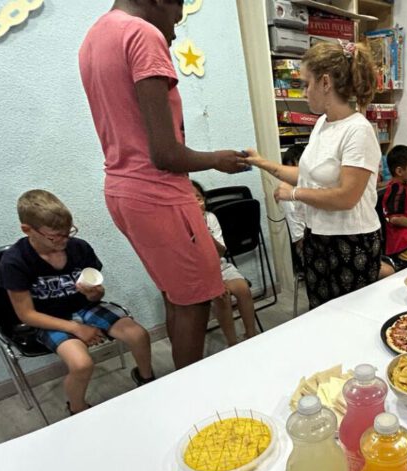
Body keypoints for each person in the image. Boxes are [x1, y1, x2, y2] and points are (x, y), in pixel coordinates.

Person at [79, 1, 249, 371]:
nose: (175, 27)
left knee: (177, 295)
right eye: (177, 11)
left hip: (122, 190)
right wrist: (218, 160)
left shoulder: (95, 36)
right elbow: (165, 154)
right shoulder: (141, 33)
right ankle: (190, 397)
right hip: (157, 193)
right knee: (197, 299)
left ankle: (179, 387)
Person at [244, 40, 382, 309]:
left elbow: (346, 197)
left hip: (351, 242)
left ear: (326, 83)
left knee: (349, 319)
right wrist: (263, 163)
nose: (304, 91)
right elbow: (311, 175)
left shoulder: (358, 130)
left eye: (307, 83)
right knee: (320, 315)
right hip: (318, 237)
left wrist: (293, 194)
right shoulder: (322, 123)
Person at [0, 190, 155, 415]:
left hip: (85, 306)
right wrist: (75, 328)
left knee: (138, 335)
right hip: (49, 320)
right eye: (55, 236)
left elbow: (96, 296)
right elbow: (26, 315)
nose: (64, 240)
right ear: (27, 230)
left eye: (68, 232)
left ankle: (146, 378)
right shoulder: (15, 261)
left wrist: (95, 293)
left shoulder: (78, 247)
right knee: (81, 364)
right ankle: (77, 409)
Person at [191, 181, 258, 346]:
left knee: (242, 288)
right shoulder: (181, 225)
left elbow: (221, 252)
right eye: (189, 200)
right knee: (222, 296)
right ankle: (232, 343)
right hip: (198, 273)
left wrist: (205, 233)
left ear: (204, 199)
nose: (196, 203)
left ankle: (252, 335)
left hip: (219, 265)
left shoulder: (211, 218)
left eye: (198, 198)